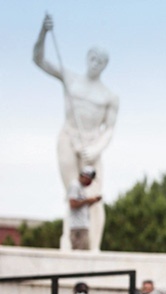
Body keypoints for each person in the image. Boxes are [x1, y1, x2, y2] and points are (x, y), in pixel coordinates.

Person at [33, 14, 119, 252]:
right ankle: (68, 242)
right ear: (87, 58)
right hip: (69, 138)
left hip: (92, 146)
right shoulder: (71, 79)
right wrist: (43, 33)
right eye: (93, 57)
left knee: (95, 196)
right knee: (71, 191)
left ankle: (93, 247)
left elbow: (109, 129)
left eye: (100, 60)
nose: (95, 62)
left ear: (105, 65)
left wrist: (96, 148)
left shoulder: (110, 96)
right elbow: (39, 59)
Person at [67, 166, 102, 250]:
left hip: (82, 225)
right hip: (77, 227)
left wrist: (92, 201)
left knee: (83, 251)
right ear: (85, 176)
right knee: (80, 253)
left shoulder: (81, 187)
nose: (90, 182)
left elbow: (81, 206)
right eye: (90, 179)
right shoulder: (75, 186)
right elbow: (73, 204)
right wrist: (87, 200)